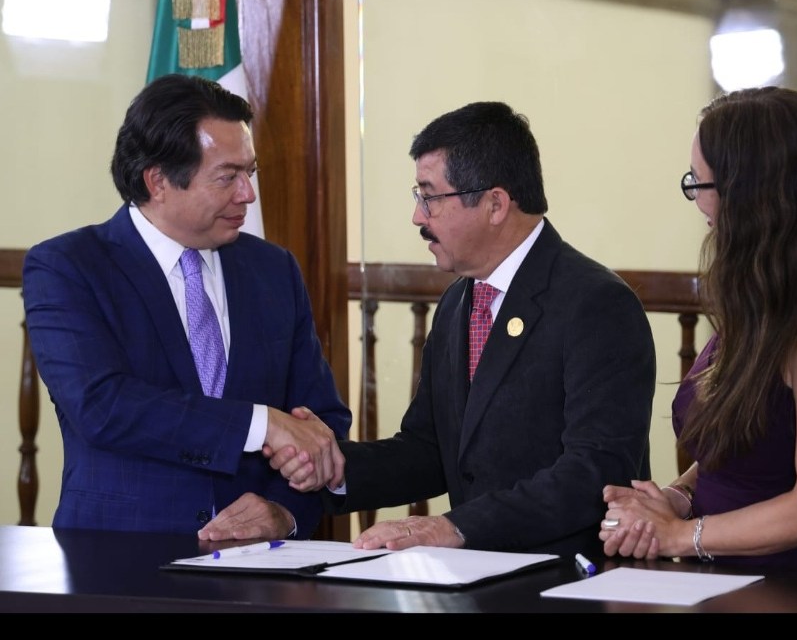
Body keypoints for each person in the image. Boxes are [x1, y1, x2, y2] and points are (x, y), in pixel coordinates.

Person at [270, 101, 656, 556]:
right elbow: (431, 450)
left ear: (495, 204)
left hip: (570, 576)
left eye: (430, 197)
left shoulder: (596, 304)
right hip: (479, 574)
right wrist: (332, 468)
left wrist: (453, 528)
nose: (418, 217)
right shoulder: (457, 301)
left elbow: (595, 474)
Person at [23, 74, 351, 542]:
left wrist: (284, 511)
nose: (248, 194)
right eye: (228, 177)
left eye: (250, 172)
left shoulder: (273, 269)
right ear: (158, 181)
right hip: (116, 557)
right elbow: (102, 406)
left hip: (259, 561)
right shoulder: (68, 267)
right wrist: (261, 424)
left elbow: (320, 421)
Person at [599, 86, 797, 573]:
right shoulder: (763, 300)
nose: (697, 202)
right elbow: (743, 453)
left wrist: (679, 535)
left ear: (752, 192)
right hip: (720, 573)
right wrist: (677, 497)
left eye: (699, 183)